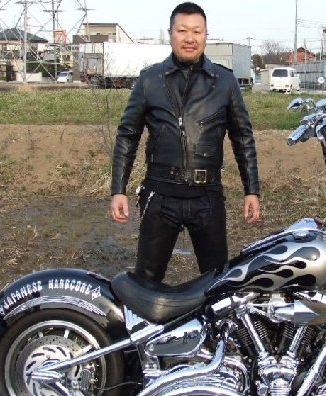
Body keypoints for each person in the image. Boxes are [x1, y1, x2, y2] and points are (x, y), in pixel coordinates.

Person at [110, 2, 260, 283]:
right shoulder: (149, 80)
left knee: (217, 283)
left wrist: (251, 190)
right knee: (146, 282)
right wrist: (118, 189)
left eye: (196, 31)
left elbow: (243, 138)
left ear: (206, 35)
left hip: (208, 197)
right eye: (182, 31)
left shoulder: (225, 81)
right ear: (170, 34)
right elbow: (127, 135)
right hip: (160, 195)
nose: (189, 38)